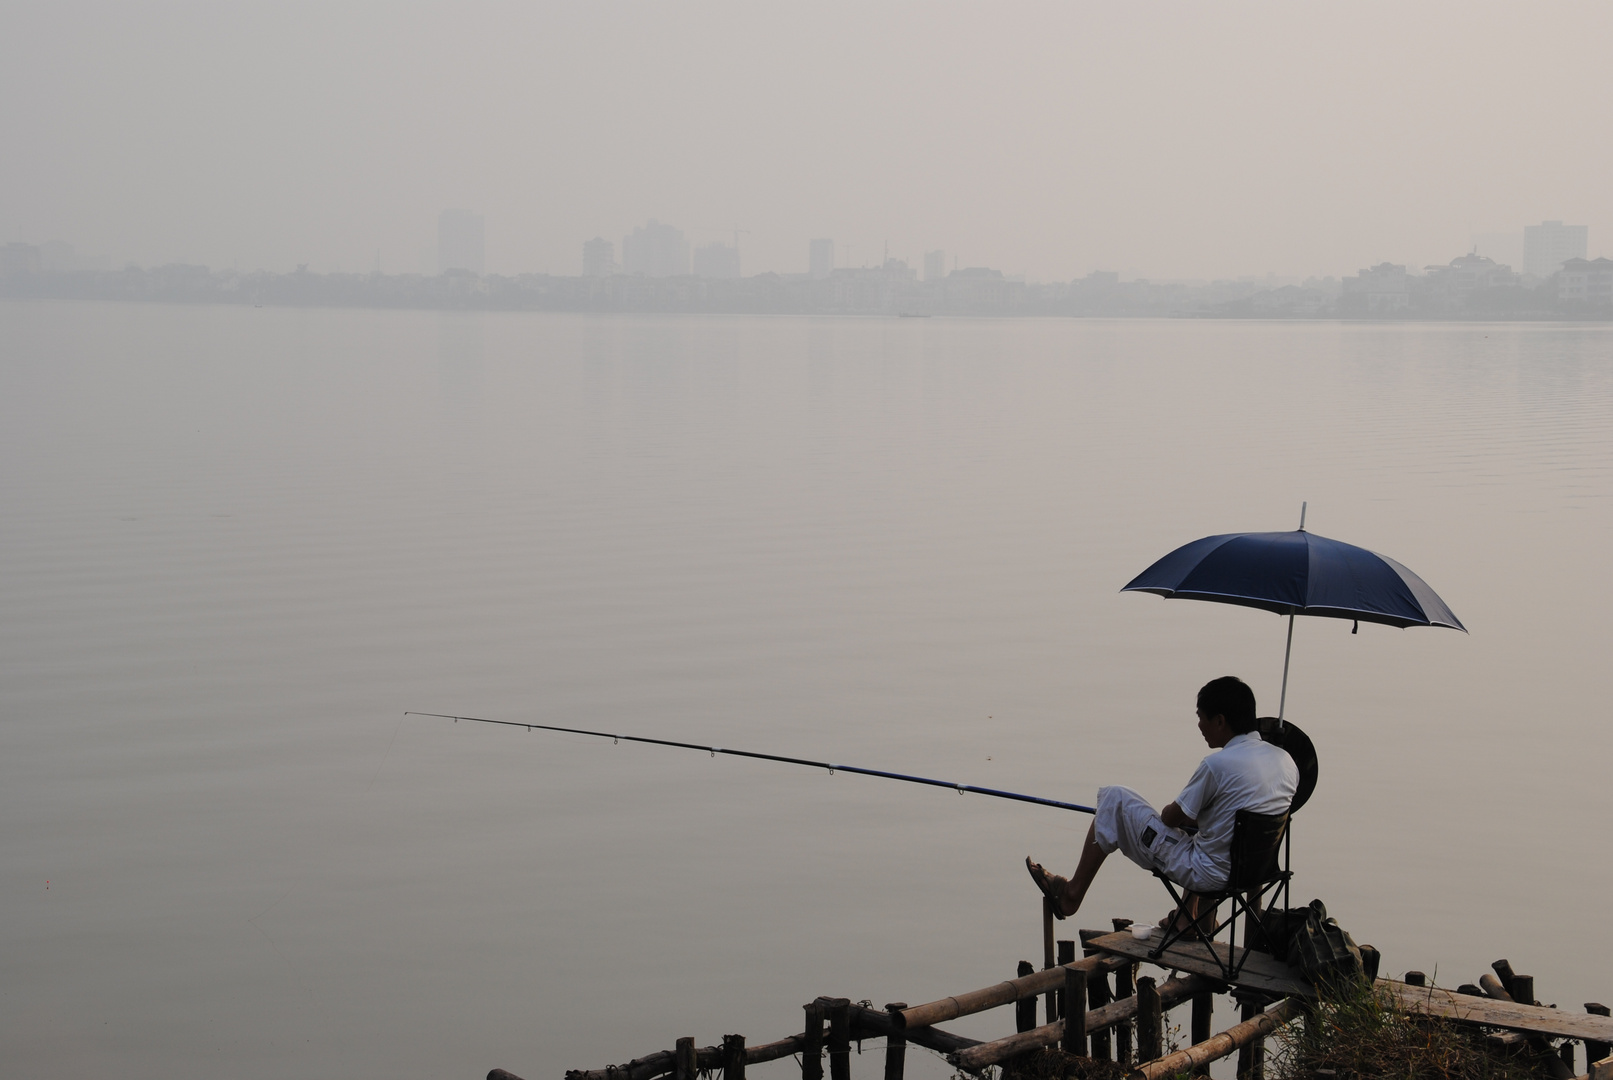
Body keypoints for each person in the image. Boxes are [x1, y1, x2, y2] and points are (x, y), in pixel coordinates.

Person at [1026, 676, 1298, 924]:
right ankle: (1188, 918)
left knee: (1114, 798)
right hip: (1256, 872)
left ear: (1220, 721)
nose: (1199, 726)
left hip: (1208, 875)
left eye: (1201, 718)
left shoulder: (1218, 765)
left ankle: (1071, 895)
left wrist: (1179, 813)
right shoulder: (1286, 762)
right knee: (1202, 828)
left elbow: (1170, 818)